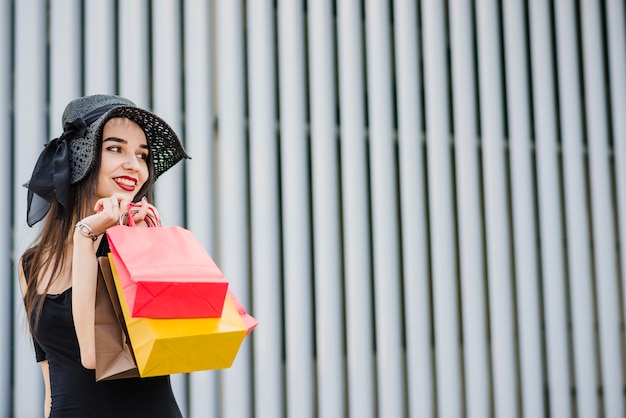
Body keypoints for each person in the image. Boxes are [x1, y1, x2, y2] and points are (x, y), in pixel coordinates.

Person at [18, 94, 191, 417]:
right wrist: (84, 234)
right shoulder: (31, 263)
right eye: (116, 148)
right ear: (80, 159)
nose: (134, 165)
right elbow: (51, 383)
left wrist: (88, 237)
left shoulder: (139, 243)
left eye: (143, 155)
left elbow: (92, 354)